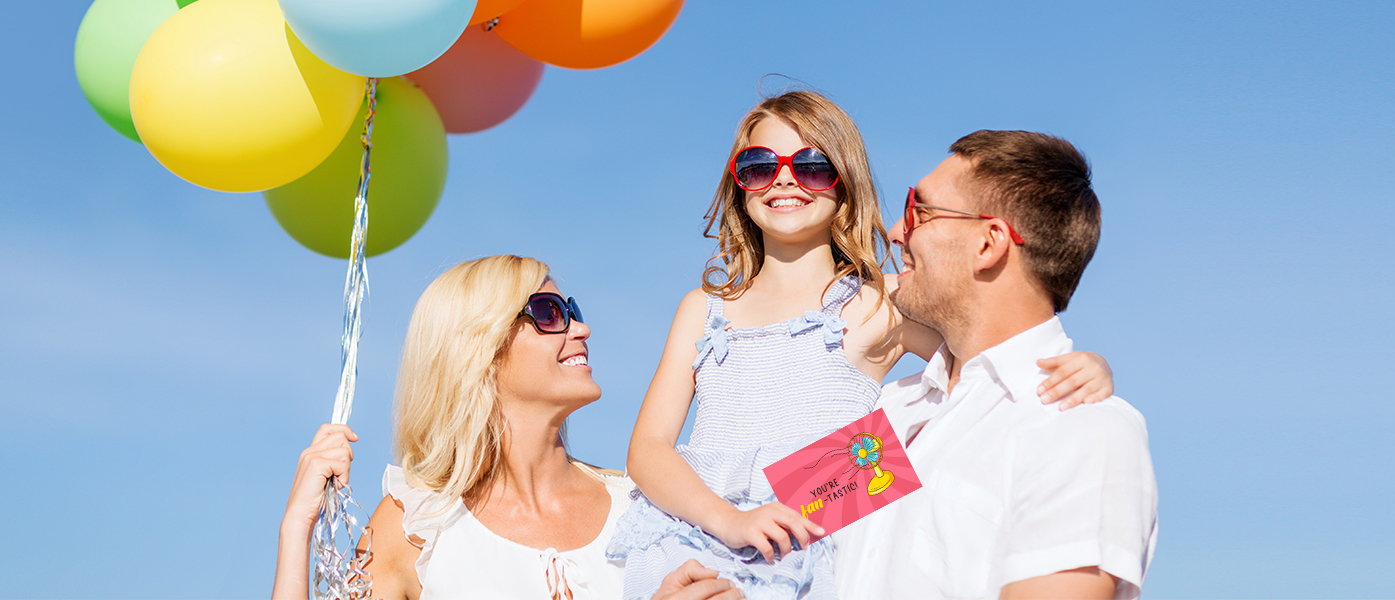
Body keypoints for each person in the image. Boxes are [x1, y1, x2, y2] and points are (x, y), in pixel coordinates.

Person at [608, 92, 1118, 600]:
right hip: (694, 533)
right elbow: (648, 448)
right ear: (738, 183)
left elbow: (988, 355)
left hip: (804, 538)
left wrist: (1080, 364)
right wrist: (730, 521)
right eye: (760, 165)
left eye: (810, 166)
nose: (783, 178)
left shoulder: (885, 301)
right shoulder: (703, 307)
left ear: (845, 182)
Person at [272, 256, 743, 600]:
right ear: (480, 350)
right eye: (549, 313)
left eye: (571, 310)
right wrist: (296, 528)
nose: (581, 329)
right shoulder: (415, 524)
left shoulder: (645, 507)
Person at [833, 131, 1159, 599]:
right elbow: (784, 530)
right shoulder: (894, 407)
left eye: (918, 210)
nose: (895, 231)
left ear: (989, 243)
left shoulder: (1082, 430)